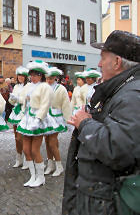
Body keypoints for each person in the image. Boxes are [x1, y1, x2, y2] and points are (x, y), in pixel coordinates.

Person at [62, 30, 140, 215]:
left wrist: (85, 124)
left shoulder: (132, 95)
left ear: (117, 62)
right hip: (101, 197)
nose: (99, 64)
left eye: (103, 58)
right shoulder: (124, 89)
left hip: (109, 201)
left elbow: (119, 148)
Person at [16, 60, 54, 188]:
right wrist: (17, 100)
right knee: (26, 149)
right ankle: (33, 176)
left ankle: (41, 177)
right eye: (31, 74)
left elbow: (45, 104)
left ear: (41, 75)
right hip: (28, 119)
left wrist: (38, 119)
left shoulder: (45, 87)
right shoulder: (30, 86)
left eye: (35, 74)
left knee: (34, 149)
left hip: (38, 120)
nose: (32, 77)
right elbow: (25, 100)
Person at [44, 67, 71, 177]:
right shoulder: (44, 87)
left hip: (56, 118)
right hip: (46, 118)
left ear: (55, 78)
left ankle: (59, 165)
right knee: (46, 142)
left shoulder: (61, 89)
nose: (48, 80)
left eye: (50, 78)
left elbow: (66, 104)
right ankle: (50, 164)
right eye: (46, 78)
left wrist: (67, 119)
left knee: (52, 143)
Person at [7, 66, 29, 168]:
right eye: (19, 75)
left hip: (24, 112)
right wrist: (11, 99)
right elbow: (12, 101)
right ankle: (19, 158)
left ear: (25, 76)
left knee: (22, 137)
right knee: (16, 137)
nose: (20, 77)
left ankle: (27, 158)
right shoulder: (15, 87)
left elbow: (27, 100)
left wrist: (18, 99)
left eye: (22, 75)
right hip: (16, 112)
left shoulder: (28, 86)